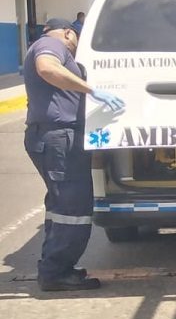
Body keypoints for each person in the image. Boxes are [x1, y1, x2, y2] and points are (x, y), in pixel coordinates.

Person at [23, 18, 125, 291]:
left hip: (56, 137)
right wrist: (91, 89)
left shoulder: (46, 45)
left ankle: (54, 267)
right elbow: (47, 69)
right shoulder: (50, 44)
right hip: (58, 138)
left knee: (60, 207)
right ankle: (56, 273)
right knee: (73, 207)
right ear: (68, 32)